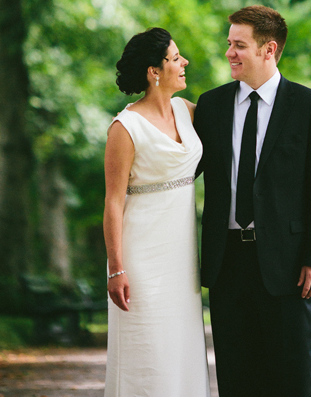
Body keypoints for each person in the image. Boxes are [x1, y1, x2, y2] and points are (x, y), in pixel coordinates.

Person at [193, 5, 311, 397]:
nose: (229, 54)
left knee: (289, 380)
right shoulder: (211, 106)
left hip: (290, 267)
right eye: (228, 44)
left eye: (239, 46)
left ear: (268, 49)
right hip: (227, 267)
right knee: (237, 381)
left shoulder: (309, 106)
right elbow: (181, 172)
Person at [103, 28, 210, 397]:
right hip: (140, 258)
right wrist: (116, 267)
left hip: (181, 257)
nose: (185, 63)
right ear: (155, 71)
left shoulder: (188, 112)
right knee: (147, 352)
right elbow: (113, 202)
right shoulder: (125, 127)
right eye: (176, 58)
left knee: (180, 351)